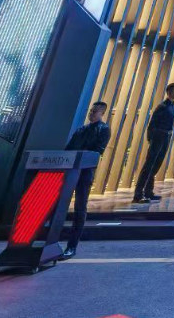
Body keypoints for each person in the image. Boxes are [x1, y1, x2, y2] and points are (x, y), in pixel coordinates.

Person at [60, 101, 110, 260]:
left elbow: (97, 151)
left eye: (95, 111)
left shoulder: (104, 129)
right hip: (71, 170)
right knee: (62, 205)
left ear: (102, 113)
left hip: (85, 172)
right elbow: (68, 149)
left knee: (80, 207)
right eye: (91, 111)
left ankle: (72, 246)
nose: (91, 113)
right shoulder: (81, 129)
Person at [133, 82, 174, 203]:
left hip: (167, 136)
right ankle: (138, 194)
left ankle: (149, 192)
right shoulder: (162, 106)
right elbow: (152, 124)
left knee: (156, 165)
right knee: (149, 165)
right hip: (158, 136)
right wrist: (151, 139)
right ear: (169, 92)